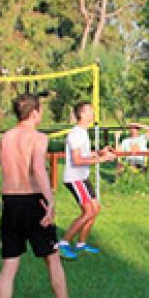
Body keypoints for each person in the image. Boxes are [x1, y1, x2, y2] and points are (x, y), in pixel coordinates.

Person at [0, 93, 80, 298]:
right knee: (53, 259)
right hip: (33, 202)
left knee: (9, 265)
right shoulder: (38, 138)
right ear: (34, 113)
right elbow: (38, 169)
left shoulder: (6, 137)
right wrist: (50, 202)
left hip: (10, 203)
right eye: (40, 111)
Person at [58, 101, 116, 260]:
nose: (93, 113)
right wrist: (102, 160)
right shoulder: (76, 134)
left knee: (95, 208)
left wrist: (99, 152)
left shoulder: (82, 133)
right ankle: (62, 244)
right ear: (82, 114)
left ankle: (81, 244)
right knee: (88, 211)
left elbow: (84, 153)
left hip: (82, 177)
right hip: (74, 178)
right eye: (90, 111)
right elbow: (77, 160)